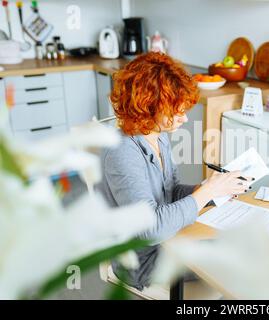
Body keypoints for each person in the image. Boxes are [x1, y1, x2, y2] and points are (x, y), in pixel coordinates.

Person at [97, 52, 251, 290]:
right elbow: (151, 229)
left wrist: (209, 191)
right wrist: (207, 191)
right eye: (177, 111)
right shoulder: (122, 152)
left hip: (170, 239)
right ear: (148, 106)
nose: (185, 119)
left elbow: (172, 190)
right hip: (142, 261)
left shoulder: (157, 136)